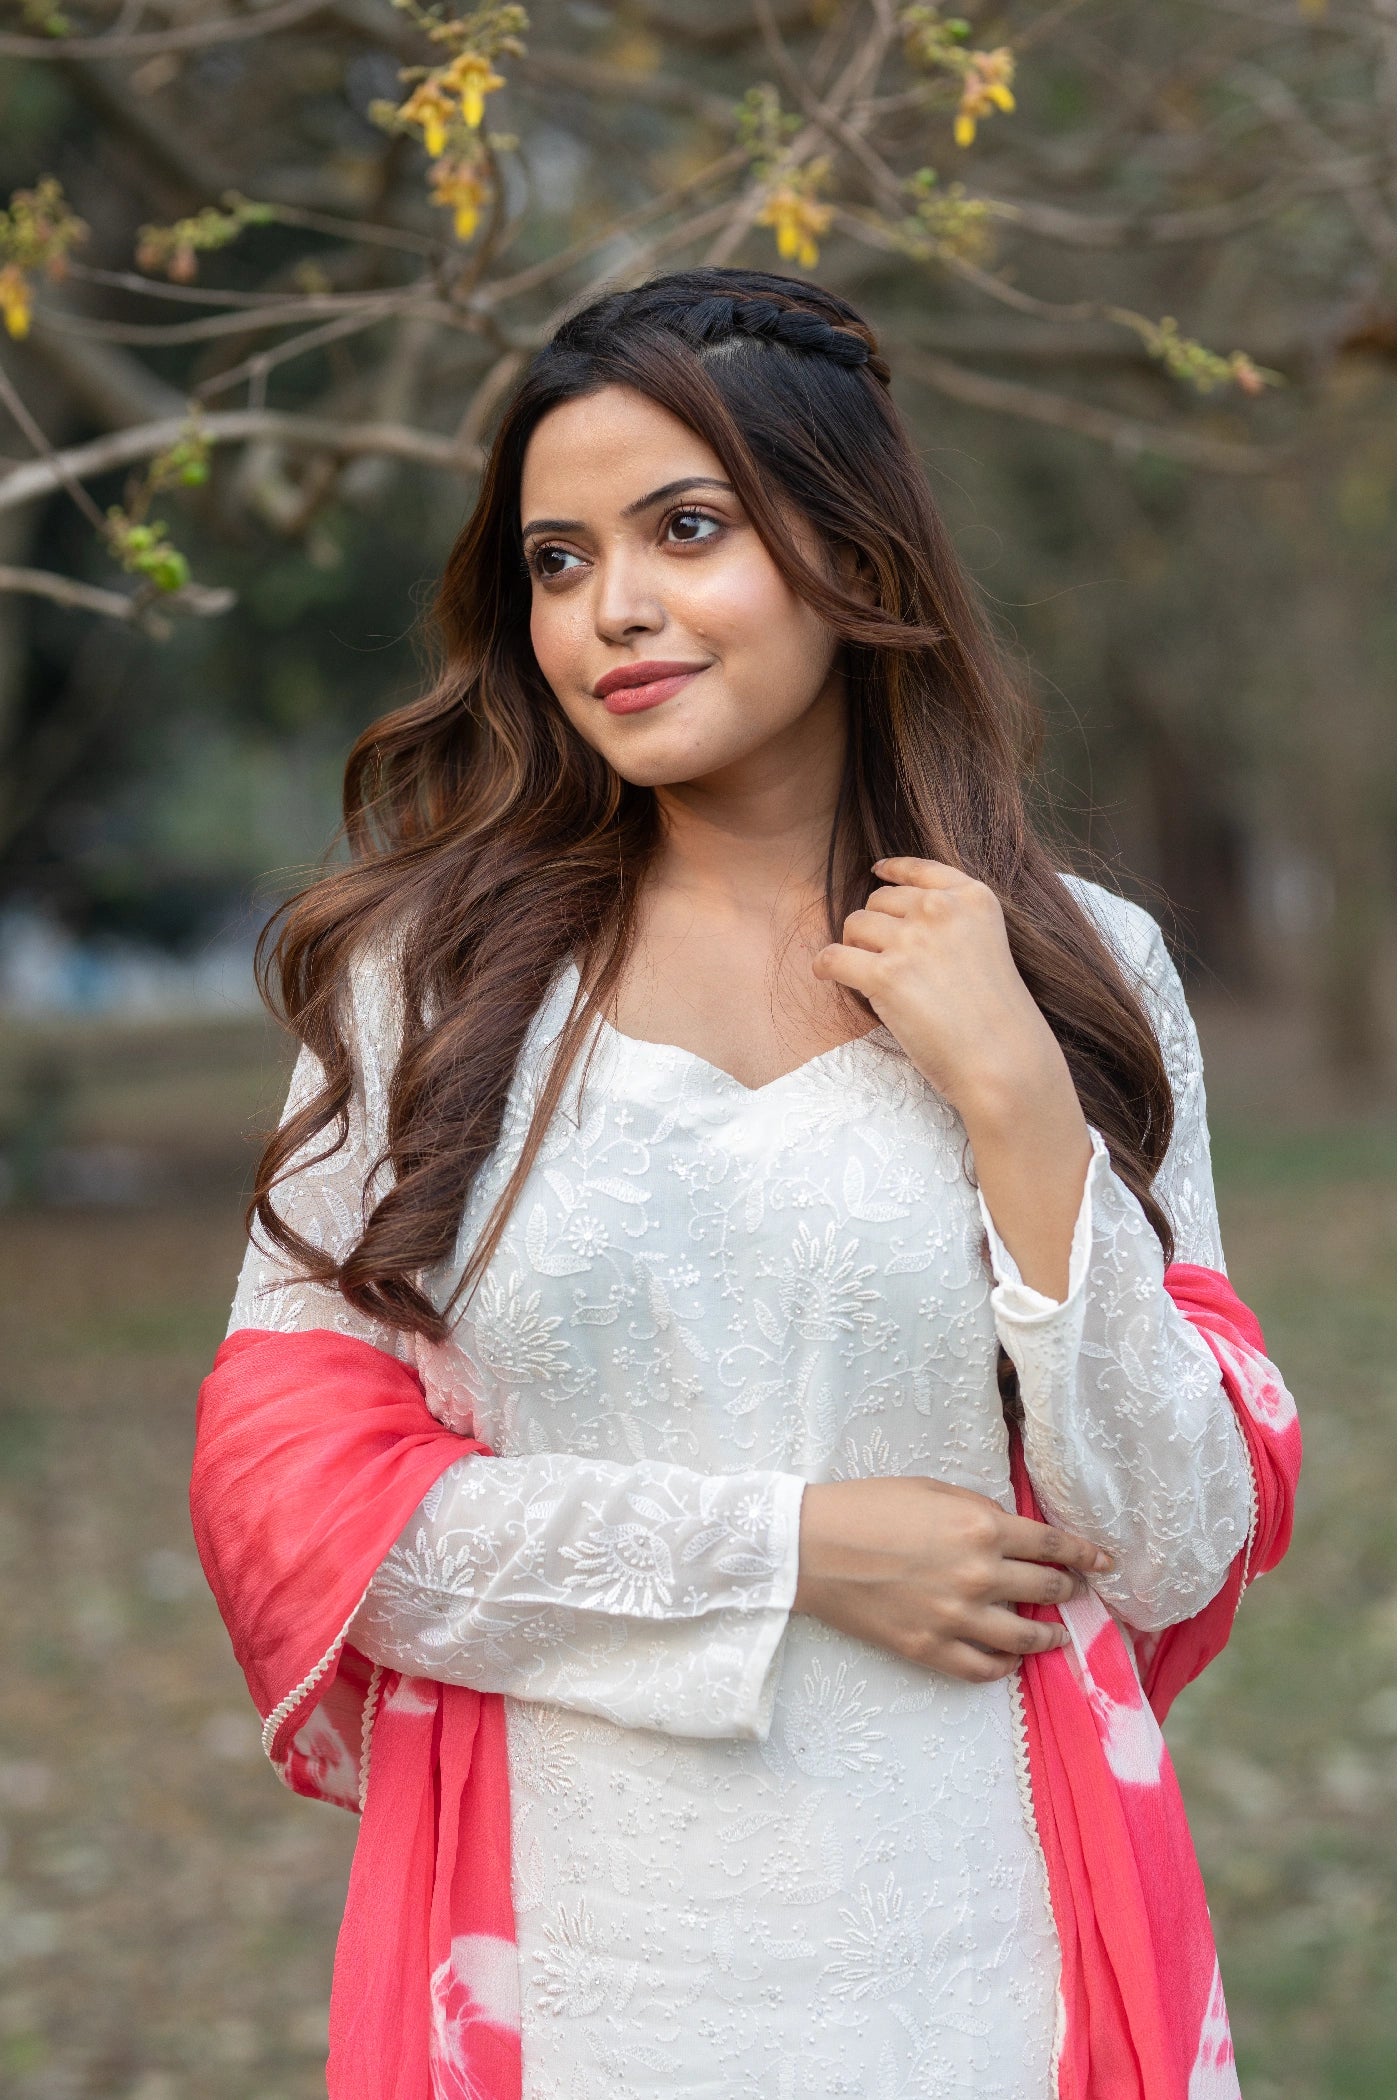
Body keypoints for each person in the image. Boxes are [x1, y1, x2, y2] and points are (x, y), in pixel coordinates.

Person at [195, 268, 1299, 2100]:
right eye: (557, 560)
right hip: (579, 1966)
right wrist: (789, 1555)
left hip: (989, 1952)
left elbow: (1182, 1533)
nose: (611, 608)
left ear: (853, 551)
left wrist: (1020, 1101)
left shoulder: (1083, 963)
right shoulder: (431, 991)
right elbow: (305, 1521)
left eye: (684, 529)